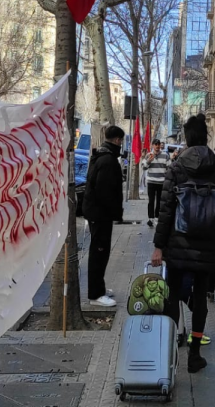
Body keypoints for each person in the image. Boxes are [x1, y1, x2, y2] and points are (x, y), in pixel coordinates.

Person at [152, 114, 215, 373]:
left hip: (177, 242)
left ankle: (169, 352)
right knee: (200, 297)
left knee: (173, 295)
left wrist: (158, 245)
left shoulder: (176, 168)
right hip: (208, 243)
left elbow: (166, 210)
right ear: (206, 136)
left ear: (187, 138)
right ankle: (195, 354)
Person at [82, 125, 125, 307]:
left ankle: (99, 288)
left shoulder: (100, 155)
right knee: (99, 252)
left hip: (98, 213)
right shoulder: (107, 160)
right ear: (116, 140)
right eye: (121, 141)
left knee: (100, 252)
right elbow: (105, 191)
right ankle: (95, 294)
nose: (121, 144)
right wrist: (114, 211)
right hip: (100, 214)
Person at [142, 139, 170, 228]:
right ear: (153, 145)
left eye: (158, 144)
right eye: (155, 144)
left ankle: (157, 217)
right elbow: (144, 168)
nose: (157, 146)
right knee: (151, 201)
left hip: (161, 182)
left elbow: (169, 168)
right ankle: (150, 218)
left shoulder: (165, 156)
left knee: (159, 201)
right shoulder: (148, 155)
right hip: (151, 182)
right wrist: (149, 161)